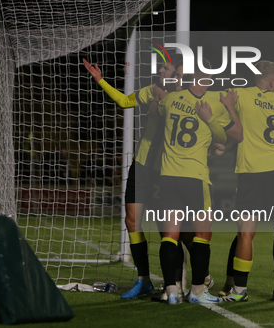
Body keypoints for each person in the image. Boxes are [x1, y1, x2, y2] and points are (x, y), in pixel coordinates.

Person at [216, 60, 274, 303]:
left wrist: (228, 109)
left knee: (246, 233)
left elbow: (239, 129)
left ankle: (240, 290)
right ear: (273, 81)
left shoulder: (243, 96)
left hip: (251, 172)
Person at [83, 57, 177, 299]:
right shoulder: (151, 91)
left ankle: (173, 283)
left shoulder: (182, 97)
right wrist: (101, 80)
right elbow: (125, 101)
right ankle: (144, 279)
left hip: (166, 169)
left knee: (166, 228)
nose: (160, 70)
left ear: (178, 74)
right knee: (132, 221)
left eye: (166, 68)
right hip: (142, 165)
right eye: (162, 67)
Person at [156, 64, 240, 305]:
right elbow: (233, 136)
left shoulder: (171, 99)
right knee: (203, 236)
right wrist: (218, 117)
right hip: (195, 177)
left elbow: (157, 107)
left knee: (170, 237)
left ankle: (172, 291)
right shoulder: (214, 102)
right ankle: (197, 292)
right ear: (210, 76)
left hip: (168, 175)